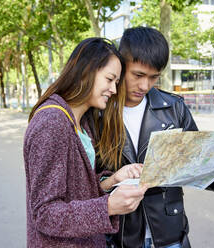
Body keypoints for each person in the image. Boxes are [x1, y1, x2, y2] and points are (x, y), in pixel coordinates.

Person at [97, 27, 214, 248]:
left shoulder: (175, 108)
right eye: (138, 75)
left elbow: (198, 169)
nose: (145, 85)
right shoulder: (99, 111)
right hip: (118, 237)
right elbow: (87, 181)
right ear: (121, 65)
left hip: (170, 236)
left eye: (154, 77)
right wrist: (112, 182)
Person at [23, 38, 147, 248]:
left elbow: (78, 189)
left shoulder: (82, 121)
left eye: (116, 83)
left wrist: (115, 179)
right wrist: (107, 207)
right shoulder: (51, 123)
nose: (114, 90)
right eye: (109, 79)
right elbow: (45, 213)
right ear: (85, 71)